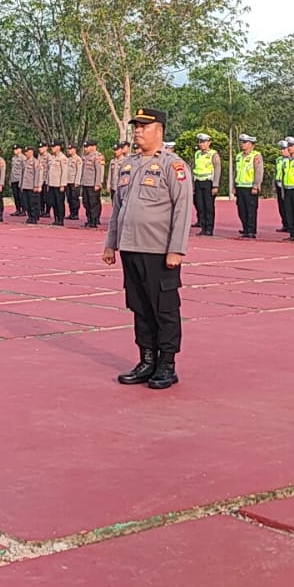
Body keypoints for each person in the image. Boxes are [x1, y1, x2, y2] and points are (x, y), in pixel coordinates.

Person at [104, 108, 192, 390]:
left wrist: (176, 249)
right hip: (130, 247)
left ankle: (166, 363)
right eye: (136, 127)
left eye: (144, 126)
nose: (138, 131)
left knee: (163, 308)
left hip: (158, 250)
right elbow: (118, 208)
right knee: (139, 306)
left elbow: (182, 210)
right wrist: (110, 243)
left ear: (159, 130)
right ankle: (147, 359)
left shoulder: (172, 165)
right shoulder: (127, 164)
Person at [190, 133, 220, 237]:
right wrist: (192, 184)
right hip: (198, 182)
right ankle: (203, 227)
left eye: (203, 142)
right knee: (200, 206)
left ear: (209, 143)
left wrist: (215, 185)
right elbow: (193, 169)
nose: (201, 144)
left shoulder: (213, 154)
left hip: (208, 182)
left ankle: (209, 228)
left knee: (208, 206)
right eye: (200, 142)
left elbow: (217, 170)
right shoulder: (197, 154)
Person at [232, 134, 262, 238]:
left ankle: (251, 230)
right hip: (240, 186)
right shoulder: (239, 156)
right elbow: (236, 172)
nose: (242, 144)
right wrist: (234, 186)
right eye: (242, 142)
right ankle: (245, 228)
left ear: (251, 144)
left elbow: (258, 172)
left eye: (245, 142)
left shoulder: (256, 156)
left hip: (250, 187)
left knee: (251, 210)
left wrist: (256, 185)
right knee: (241, 210)